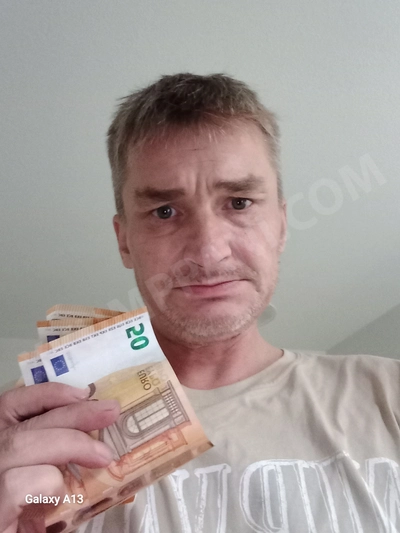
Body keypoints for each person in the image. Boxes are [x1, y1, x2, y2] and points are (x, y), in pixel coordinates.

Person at [1, 73, 400, 533]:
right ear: (124, 240)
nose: (209, 252)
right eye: (164, 211)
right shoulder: (30, 425)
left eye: (240, 202)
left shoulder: (389, 395)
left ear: (282, 225)